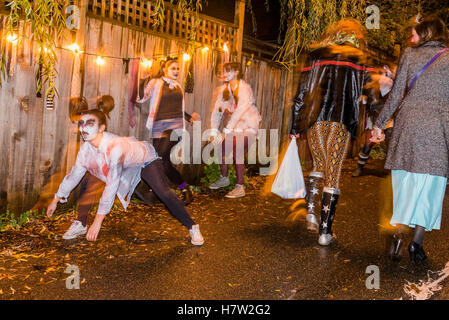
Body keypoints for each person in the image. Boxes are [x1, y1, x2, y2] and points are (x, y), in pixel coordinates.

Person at [46, 108, 204, 245]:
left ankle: (192, 227)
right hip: (124, 164)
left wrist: (98, 222)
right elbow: (74, 176)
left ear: (102, 128)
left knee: (163, 192)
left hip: (144, 160)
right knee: (88, 179)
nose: (84, 127)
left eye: (90, 123)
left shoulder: (114, 148)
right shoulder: (87, 149)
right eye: (82, 123)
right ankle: (81, 223)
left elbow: (111, 185)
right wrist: (55, 199)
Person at [290, 19, 377, 245]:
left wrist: (294, 127)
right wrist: (377, 123)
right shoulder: (360, 57)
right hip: (341, 120)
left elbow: (301, 92)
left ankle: (311, 212)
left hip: (315, 120)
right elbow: (373, 94)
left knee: (319, 164)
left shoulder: (315, 54)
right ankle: (324, 232)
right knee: (333, 171)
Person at [371, 16, 449, 262]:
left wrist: (378, 124)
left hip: (408, 126)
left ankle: (398, 232)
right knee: (430, 187)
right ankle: (416, 244)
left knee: (405, 181)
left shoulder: (408, 54)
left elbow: (395, 95)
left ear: (424, 33)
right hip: (438, 129)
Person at [137, 57, 200, 205]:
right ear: (165, 69)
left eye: (178, 68)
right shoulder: (155, 82)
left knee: (158, 158)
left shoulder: (178, 86)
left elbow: (179, 109)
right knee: (163, 163)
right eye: (173, 68)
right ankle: (183, 189)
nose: (176, 71)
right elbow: (141, 98)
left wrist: (189, 118)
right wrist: (141, 80)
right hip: (158, 126)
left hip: (175, 128)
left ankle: (155, 192)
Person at [208, 62, 261, 198]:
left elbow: (240, 111)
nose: (225, 74)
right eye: (223, 71)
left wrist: (226, 131)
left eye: (228, 71)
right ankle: (224, 178)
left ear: (236, 72)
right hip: (234, 126)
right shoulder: (223, 90)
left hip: (248, 124)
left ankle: (240, 187)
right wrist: (214, 131)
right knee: (222, 150)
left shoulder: (244, 88)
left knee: (238, 152)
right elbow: (217, 111)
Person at [352, 63, 396, 177]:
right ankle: (359, 167)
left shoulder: (391, 77)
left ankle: (394, 171)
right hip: (374, 114)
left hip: (388, 114)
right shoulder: (371, 78)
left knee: (391, 141)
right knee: (368, 142)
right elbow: (366, 94)